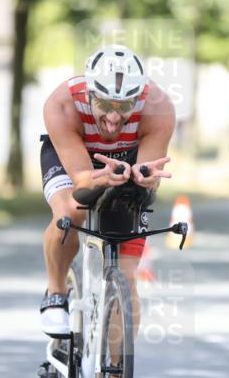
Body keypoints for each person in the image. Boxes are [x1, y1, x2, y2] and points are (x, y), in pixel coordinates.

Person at [39, 44, 176, 338]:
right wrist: (96, 179)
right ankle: (56, 293)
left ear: (138, 98)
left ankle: (116, 366)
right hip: (74, 156)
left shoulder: (159, 107)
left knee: (126, 272)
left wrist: (145, 178)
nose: (114, 118)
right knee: (70, 212)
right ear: (89, 95)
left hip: (126, 158)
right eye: (105, 104)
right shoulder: (62, 103)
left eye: (124, 106)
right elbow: (81, 180)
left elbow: (149, 173)